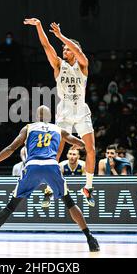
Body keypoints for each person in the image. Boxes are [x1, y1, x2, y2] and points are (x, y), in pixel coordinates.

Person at [0, 106, 100, 254]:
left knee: (10, 206)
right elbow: (82, 144)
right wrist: (76, 143)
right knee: (69, 203)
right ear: (50, 116)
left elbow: (11, 148)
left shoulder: (28, 128)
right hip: (52, 166)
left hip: (32, 167)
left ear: (35, 116)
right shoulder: (58, 129)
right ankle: (90, 240)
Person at [24, 18, 96, 207]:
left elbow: (79, 52)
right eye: (63, 48)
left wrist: (61, 36)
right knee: (56, 151)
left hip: (81, 110)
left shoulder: (82, 65)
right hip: (64, 111)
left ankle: (88, 187)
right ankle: (49, 187)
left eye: (66, 48)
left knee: (91, 150)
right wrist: (39, 26)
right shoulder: (58, 65)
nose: (64, 50)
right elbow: (46, 46)